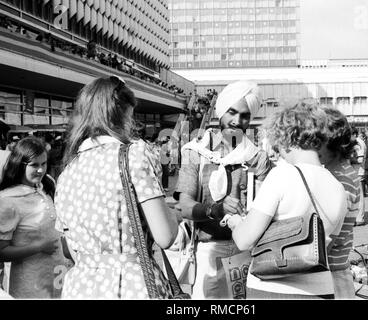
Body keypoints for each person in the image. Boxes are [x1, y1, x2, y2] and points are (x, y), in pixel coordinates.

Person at [55, 76, 178, 299]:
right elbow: (165, 236)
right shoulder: (134, 155)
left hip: (80, 288)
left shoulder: (67, 171)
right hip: (133, 285)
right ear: (123, 113)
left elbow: (70, 249)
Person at [229, 100, 347, 299]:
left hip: (273, 288)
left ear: (287, 137)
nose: (277, 150)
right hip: (321, 289)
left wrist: (236, 223)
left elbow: (244, 240)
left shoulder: (282, 175)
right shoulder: (339, 188)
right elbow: (325, 244)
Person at [174, 80, 272, 299]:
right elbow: (184, 206)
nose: (237, 121)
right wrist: (213, 210)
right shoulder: (195, 152)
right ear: (220, 111)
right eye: (231, 112)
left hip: (247, 251)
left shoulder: (258, 158)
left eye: (245, 116)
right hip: (207, 250)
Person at [0, 136, 66, 298]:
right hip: (29, 286)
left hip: (57, 275)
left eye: (44, 164)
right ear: (19, 165)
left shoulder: (46, 186)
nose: (40, 170)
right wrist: (38, 247)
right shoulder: (7, 200)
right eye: (34, 165)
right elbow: (1, 252)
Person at [318, 107, 360, 299]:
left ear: (331, 142)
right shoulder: (340, 172)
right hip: (336, 268)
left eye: (317, 141)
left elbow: (329, 235)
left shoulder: (339, 179)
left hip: (332, 272)